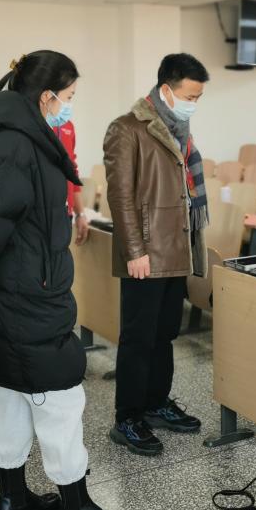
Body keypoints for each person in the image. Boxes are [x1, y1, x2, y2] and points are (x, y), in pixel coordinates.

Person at [0, 50, 133, 510]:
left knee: (15, 388)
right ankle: (76, 509)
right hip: (26, 292)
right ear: (47, 96)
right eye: (68, 97)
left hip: (21, 283)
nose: (69, 106)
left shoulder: (19, 138)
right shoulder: (18, 145)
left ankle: (13, 499)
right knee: (61, 396)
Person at [103, 53, 210, 456]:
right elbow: (121, 196)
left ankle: (156, 403)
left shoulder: (178, 128)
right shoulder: (127, 128)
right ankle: (127, 418)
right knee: (138, 338)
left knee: (165, 334)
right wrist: (135, 250)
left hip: (175, 247)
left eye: (198, 97)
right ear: (166, 90)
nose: (193, 104)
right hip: (146, 252)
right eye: (189, 96)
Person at [53, 118, 90, 244]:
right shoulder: (36, 122)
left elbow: (72, 173)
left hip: (65, 214)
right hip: (41, 213)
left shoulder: (68, 125)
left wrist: (80, 214)